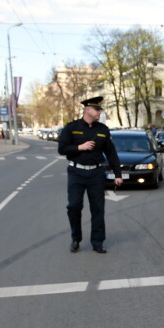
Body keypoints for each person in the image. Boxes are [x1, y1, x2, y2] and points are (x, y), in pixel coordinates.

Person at [56, 96, 122, 254]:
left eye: (100, 109)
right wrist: (80, 147)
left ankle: (98, 242)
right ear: (87, 110)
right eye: (97, 109)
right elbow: (62, 149)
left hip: (96, 173)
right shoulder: (72, 127)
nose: (100, 112)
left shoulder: (102, 129)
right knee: (74, 206)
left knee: (98, 209)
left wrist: (117, 174)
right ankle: (76, 238)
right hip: (76, 172)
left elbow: (111, 153)